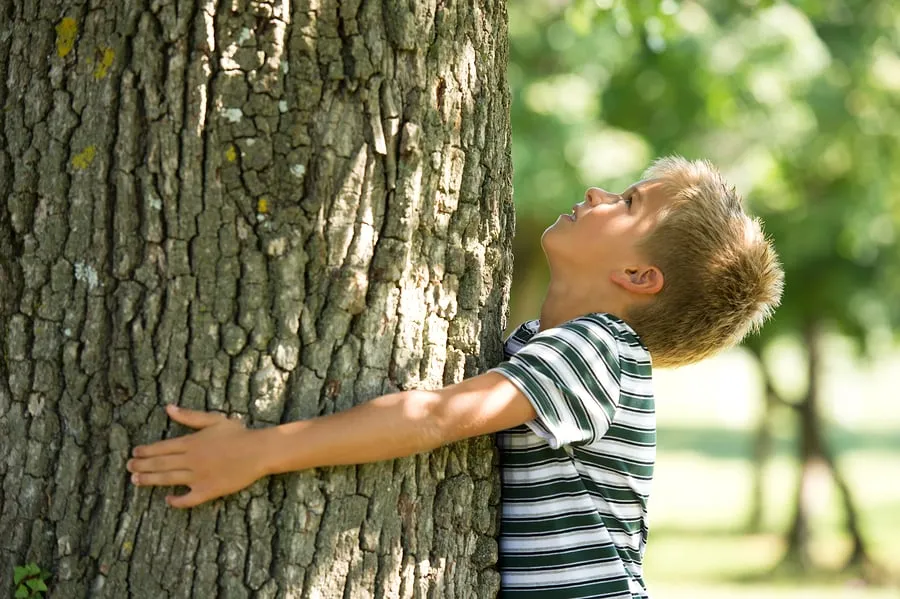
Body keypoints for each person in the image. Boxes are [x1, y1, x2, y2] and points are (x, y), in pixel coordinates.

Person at [127, 155, 784, 598]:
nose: (597, 192)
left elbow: (434, 415)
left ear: (639, 277)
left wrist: (258, 450)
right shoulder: (552, 347)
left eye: (629, 201)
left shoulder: (597, 348)